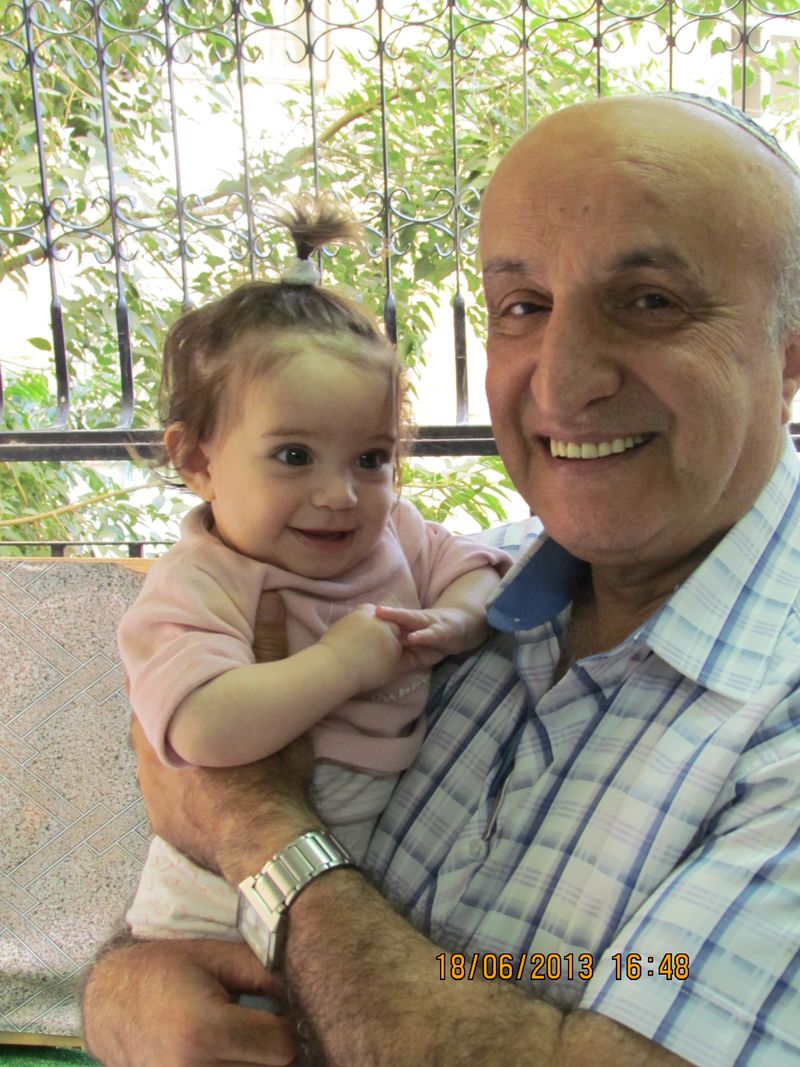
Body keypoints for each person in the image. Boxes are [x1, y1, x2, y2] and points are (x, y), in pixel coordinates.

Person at [83, 92, 800, 1067]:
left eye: (648, 302)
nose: (562, 381)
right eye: (523, 307)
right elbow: (176, 903)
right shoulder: (456, 590)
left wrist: (258, 826)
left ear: (787, 353)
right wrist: (125, 991)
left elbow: (225, 808)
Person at [117, 196, 510, 941]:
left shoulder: (393, 532)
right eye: (294, 456)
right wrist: (340, 664)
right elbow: (202, 728)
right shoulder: (199, 582)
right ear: (197, 460)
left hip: (366, 864)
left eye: (371, 458)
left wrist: (457, 618)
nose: (340, 495)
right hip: (215, 896)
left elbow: (476, 568)